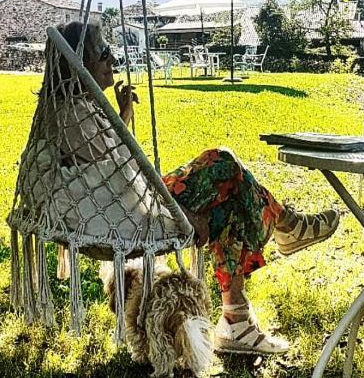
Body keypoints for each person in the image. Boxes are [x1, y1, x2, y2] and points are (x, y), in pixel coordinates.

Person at [46, 20, 340, 355]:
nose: (113, 59)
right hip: (136, 209)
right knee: (223, 162)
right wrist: (182, 215)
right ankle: (288, 226)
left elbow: (110, 164)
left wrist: (122, 113)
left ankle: (237, 321)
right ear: (80, 63)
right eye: (105, 52)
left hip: (129, 201)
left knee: (229, 201)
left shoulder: (74, 108)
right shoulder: (75, 116)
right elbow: (121, 180)